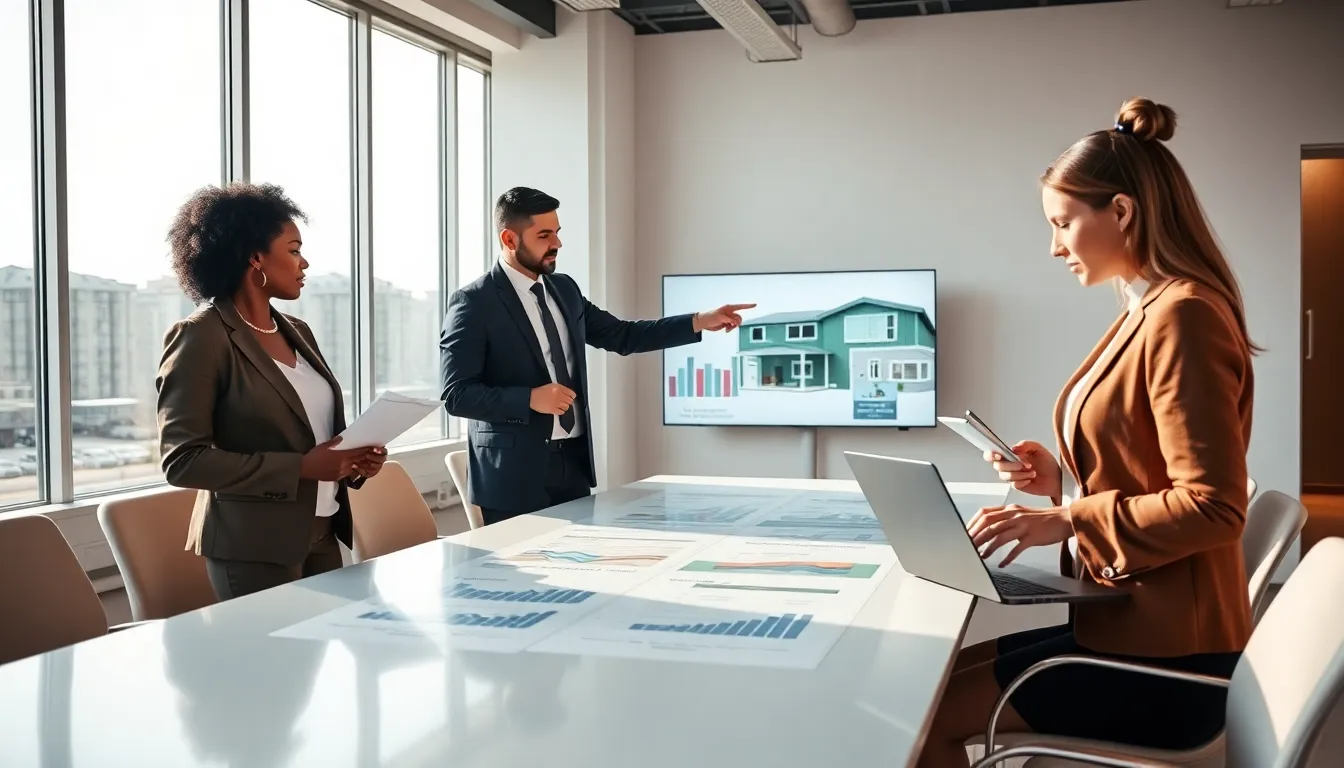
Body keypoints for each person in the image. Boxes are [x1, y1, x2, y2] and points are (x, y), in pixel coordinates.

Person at [918, 98, 1257, 766]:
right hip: (1125, 628)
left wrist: (1069, 518)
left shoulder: (1182, 316)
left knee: (922, 722)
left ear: (1123, 212)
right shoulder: (1146, 309)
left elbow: (1216, 506)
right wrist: (1061, 480)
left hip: (1172, 665)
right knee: (930, 690)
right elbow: (1147, 466)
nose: (1053, 245)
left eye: (1063, 222)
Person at [441, 186, 753, 525]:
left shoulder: (565, 289)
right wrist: (529, 399)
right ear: (510, 238)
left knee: (578, 572)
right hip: (511, 477)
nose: (557, 243)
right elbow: (456, 395)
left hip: (572, 465)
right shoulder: (474, 302)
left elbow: (623, 335)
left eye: (557, 233)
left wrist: (698, 321)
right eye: (544, 235)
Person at [157, 182, 387, 601]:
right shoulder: (201, 337)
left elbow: (309, 433)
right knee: (272, 667)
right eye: (294, 249)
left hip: (322, 529)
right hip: (252, 546)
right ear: (255, 257)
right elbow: (183, 460)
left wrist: (351, 461)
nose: (305, 262)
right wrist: (300, 468)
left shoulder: (297, 331)